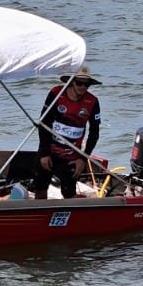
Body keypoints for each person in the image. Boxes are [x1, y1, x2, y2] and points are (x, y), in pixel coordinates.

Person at [32, 66, 102, 200]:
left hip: (72, 157)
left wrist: (82, 159)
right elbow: (43, 123)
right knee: (40, 190)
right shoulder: (56, 93)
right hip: (50, 152)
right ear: (72, 81)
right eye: (79, 83)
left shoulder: (92, 101)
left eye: (86, 85)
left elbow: (94, 132)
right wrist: (44, 153)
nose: (82, 87)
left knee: (69, 194)